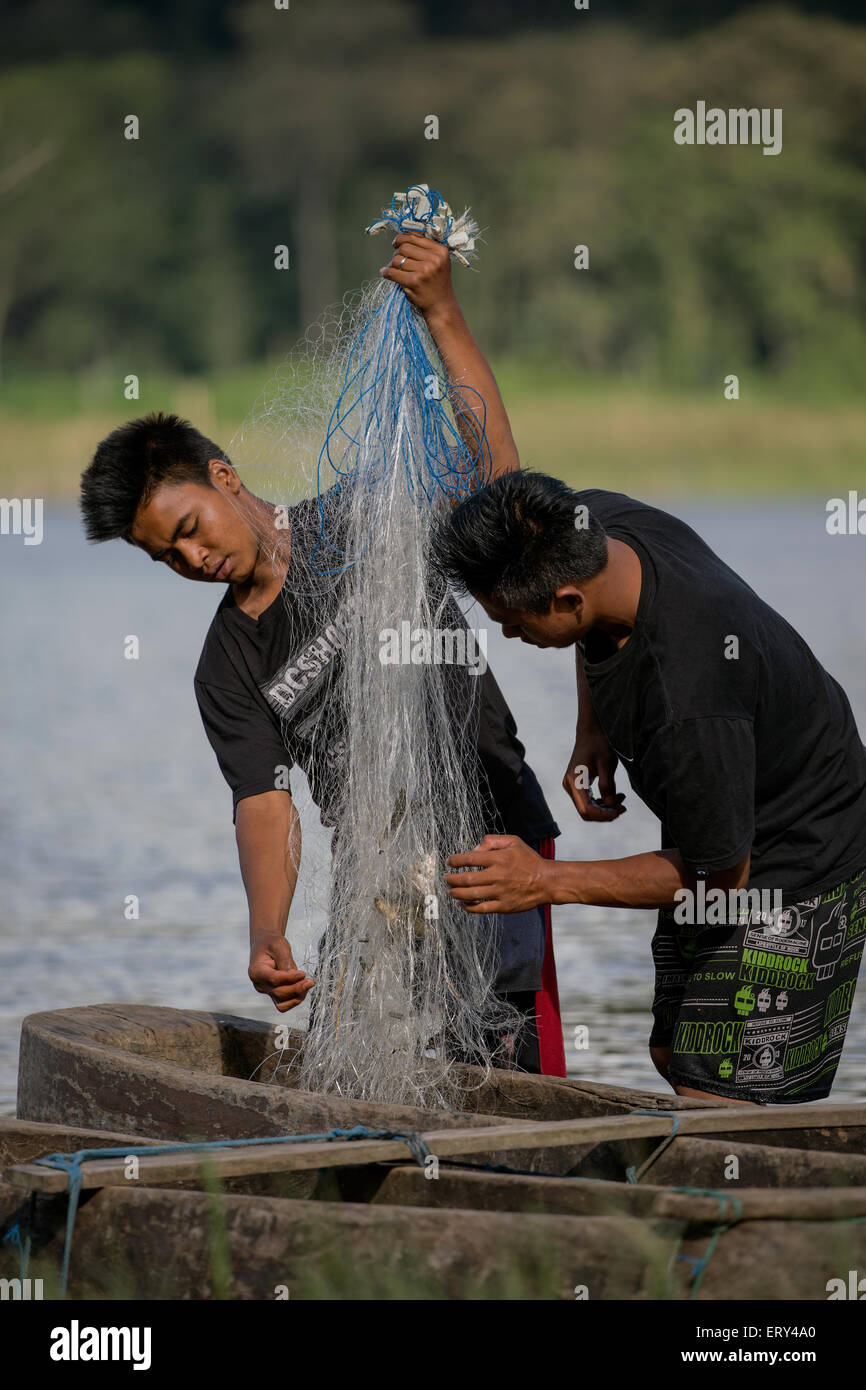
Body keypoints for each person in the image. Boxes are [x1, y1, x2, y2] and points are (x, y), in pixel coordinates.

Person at [79, 235, 566, 1076]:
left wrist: (442, 314)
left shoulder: (369, 512)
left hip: (496, 846)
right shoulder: (227, 666)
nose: (192, 561)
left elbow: (498, 477)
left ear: (225, 479)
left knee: (508, 1072)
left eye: (189, 531)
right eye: (166, 557)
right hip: (381, 872)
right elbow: (266, 805)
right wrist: (266, 929)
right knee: (369, 1075)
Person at [435, 470, 866, 1105]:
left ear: (568, 600)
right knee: (672, 1050)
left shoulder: (687, 696)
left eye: (514, 622)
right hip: (723, 814)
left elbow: (721, 879)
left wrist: (545, 882)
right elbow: (591, 632)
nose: (507, 635)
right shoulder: (593, 527)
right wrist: (594, 730)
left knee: (719, 1093)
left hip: (799, 857)